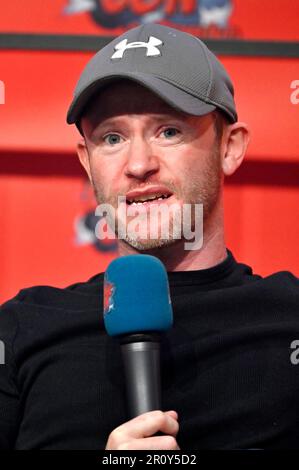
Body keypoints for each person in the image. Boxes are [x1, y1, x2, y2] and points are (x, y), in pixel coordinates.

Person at [0, 23, 299, 451]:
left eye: (169, 131)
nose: (139, 164)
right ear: (87, 161)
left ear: (229, 147)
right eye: (112, 137)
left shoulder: (289, 321)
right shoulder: (21, 328)